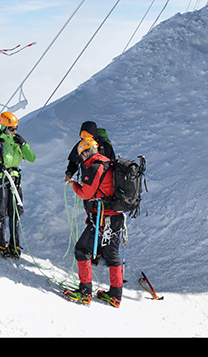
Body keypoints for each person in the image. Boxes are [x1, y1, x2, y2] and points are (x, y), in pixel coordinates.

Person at [66, 124, 126, 307]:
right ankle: (116, 295)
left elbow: (86, 193)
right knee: (112, 254)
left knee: (82, 250)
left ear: (85, 152)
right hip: (116, 216)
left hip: (102, 217)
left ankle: (85, 292)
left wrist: (73, 184)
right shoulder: (108, 162)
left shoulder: (95, 167)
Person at [0, 111, 36, 258]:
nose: (14, 131)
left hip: (14, 180)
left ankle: (14, 244)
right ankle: (2, 244)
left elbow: (31, 158)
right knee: (0, 212)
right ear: (4, 128)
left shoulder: (17, 143)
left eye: (16, 128)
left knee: (15, 211)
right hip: (0, 181)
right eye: (11, 129)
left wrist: (24, 144)